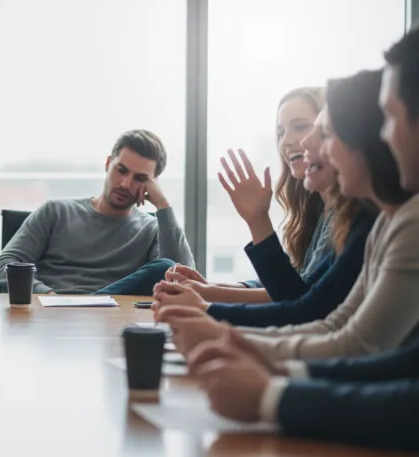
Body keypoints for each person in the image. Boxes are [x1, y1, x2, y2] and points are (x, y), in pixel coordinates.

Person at [177, 28, 419, 454]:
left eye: (318, 132)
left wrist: (263, 380)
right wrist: (224, 325)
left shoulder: (388, 221)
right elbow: (341, 326)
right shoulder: (383, 221)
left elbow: (316, 311)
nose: (303, 145)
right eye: (287, 131)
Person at [156, 69, 416, 361]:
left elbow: (305, 305)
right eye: (281, 132)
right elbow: (314, 304)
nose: (296, 142)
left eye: (317, 130)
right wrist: (212, 295)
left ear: (360, 136)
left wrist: (211, 311)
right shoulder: (363, 218)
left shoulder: (376, 218)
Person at [169, 88, 334, 305]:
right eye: (281, 133)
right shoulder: (317, 209)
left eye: (300, 126)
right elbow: (289, 283)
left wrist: (208, 296)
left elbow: (296, 298)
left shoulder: (343, 215)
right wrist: (208, 288)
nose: (286, 142)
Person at [0, 129, 194, 295]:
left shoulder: (152, 230)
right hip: (53, 315)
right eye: (121, 170)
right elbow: (2, 267)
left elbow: (183, 281)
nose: (125, 184)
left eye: (140, 179)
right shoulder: (56, 212)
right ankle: (85, 305)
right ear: (108, 164)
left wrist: (163, 206)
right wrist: (48, 295)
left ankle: (91, 303)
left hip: (113, 320)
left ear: (152, 184)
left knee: (165, 267)